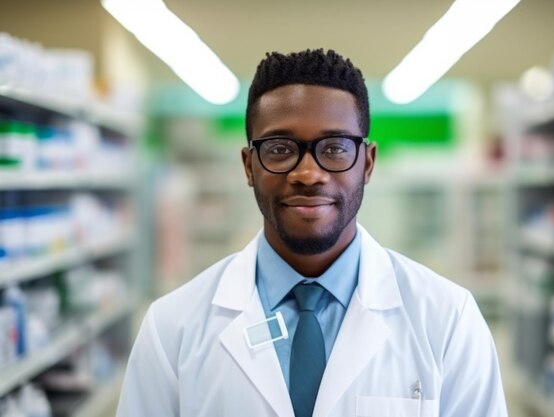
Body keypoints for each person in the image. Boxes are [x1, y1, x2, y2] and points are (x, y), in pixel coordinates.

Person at [116, 48, 508, 417]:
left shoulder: (447, 319)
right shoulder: (173, 327)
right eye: (280, 148)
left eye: (335, 148)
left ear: (367, 163)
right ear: (249, 165)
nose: (308, 173)